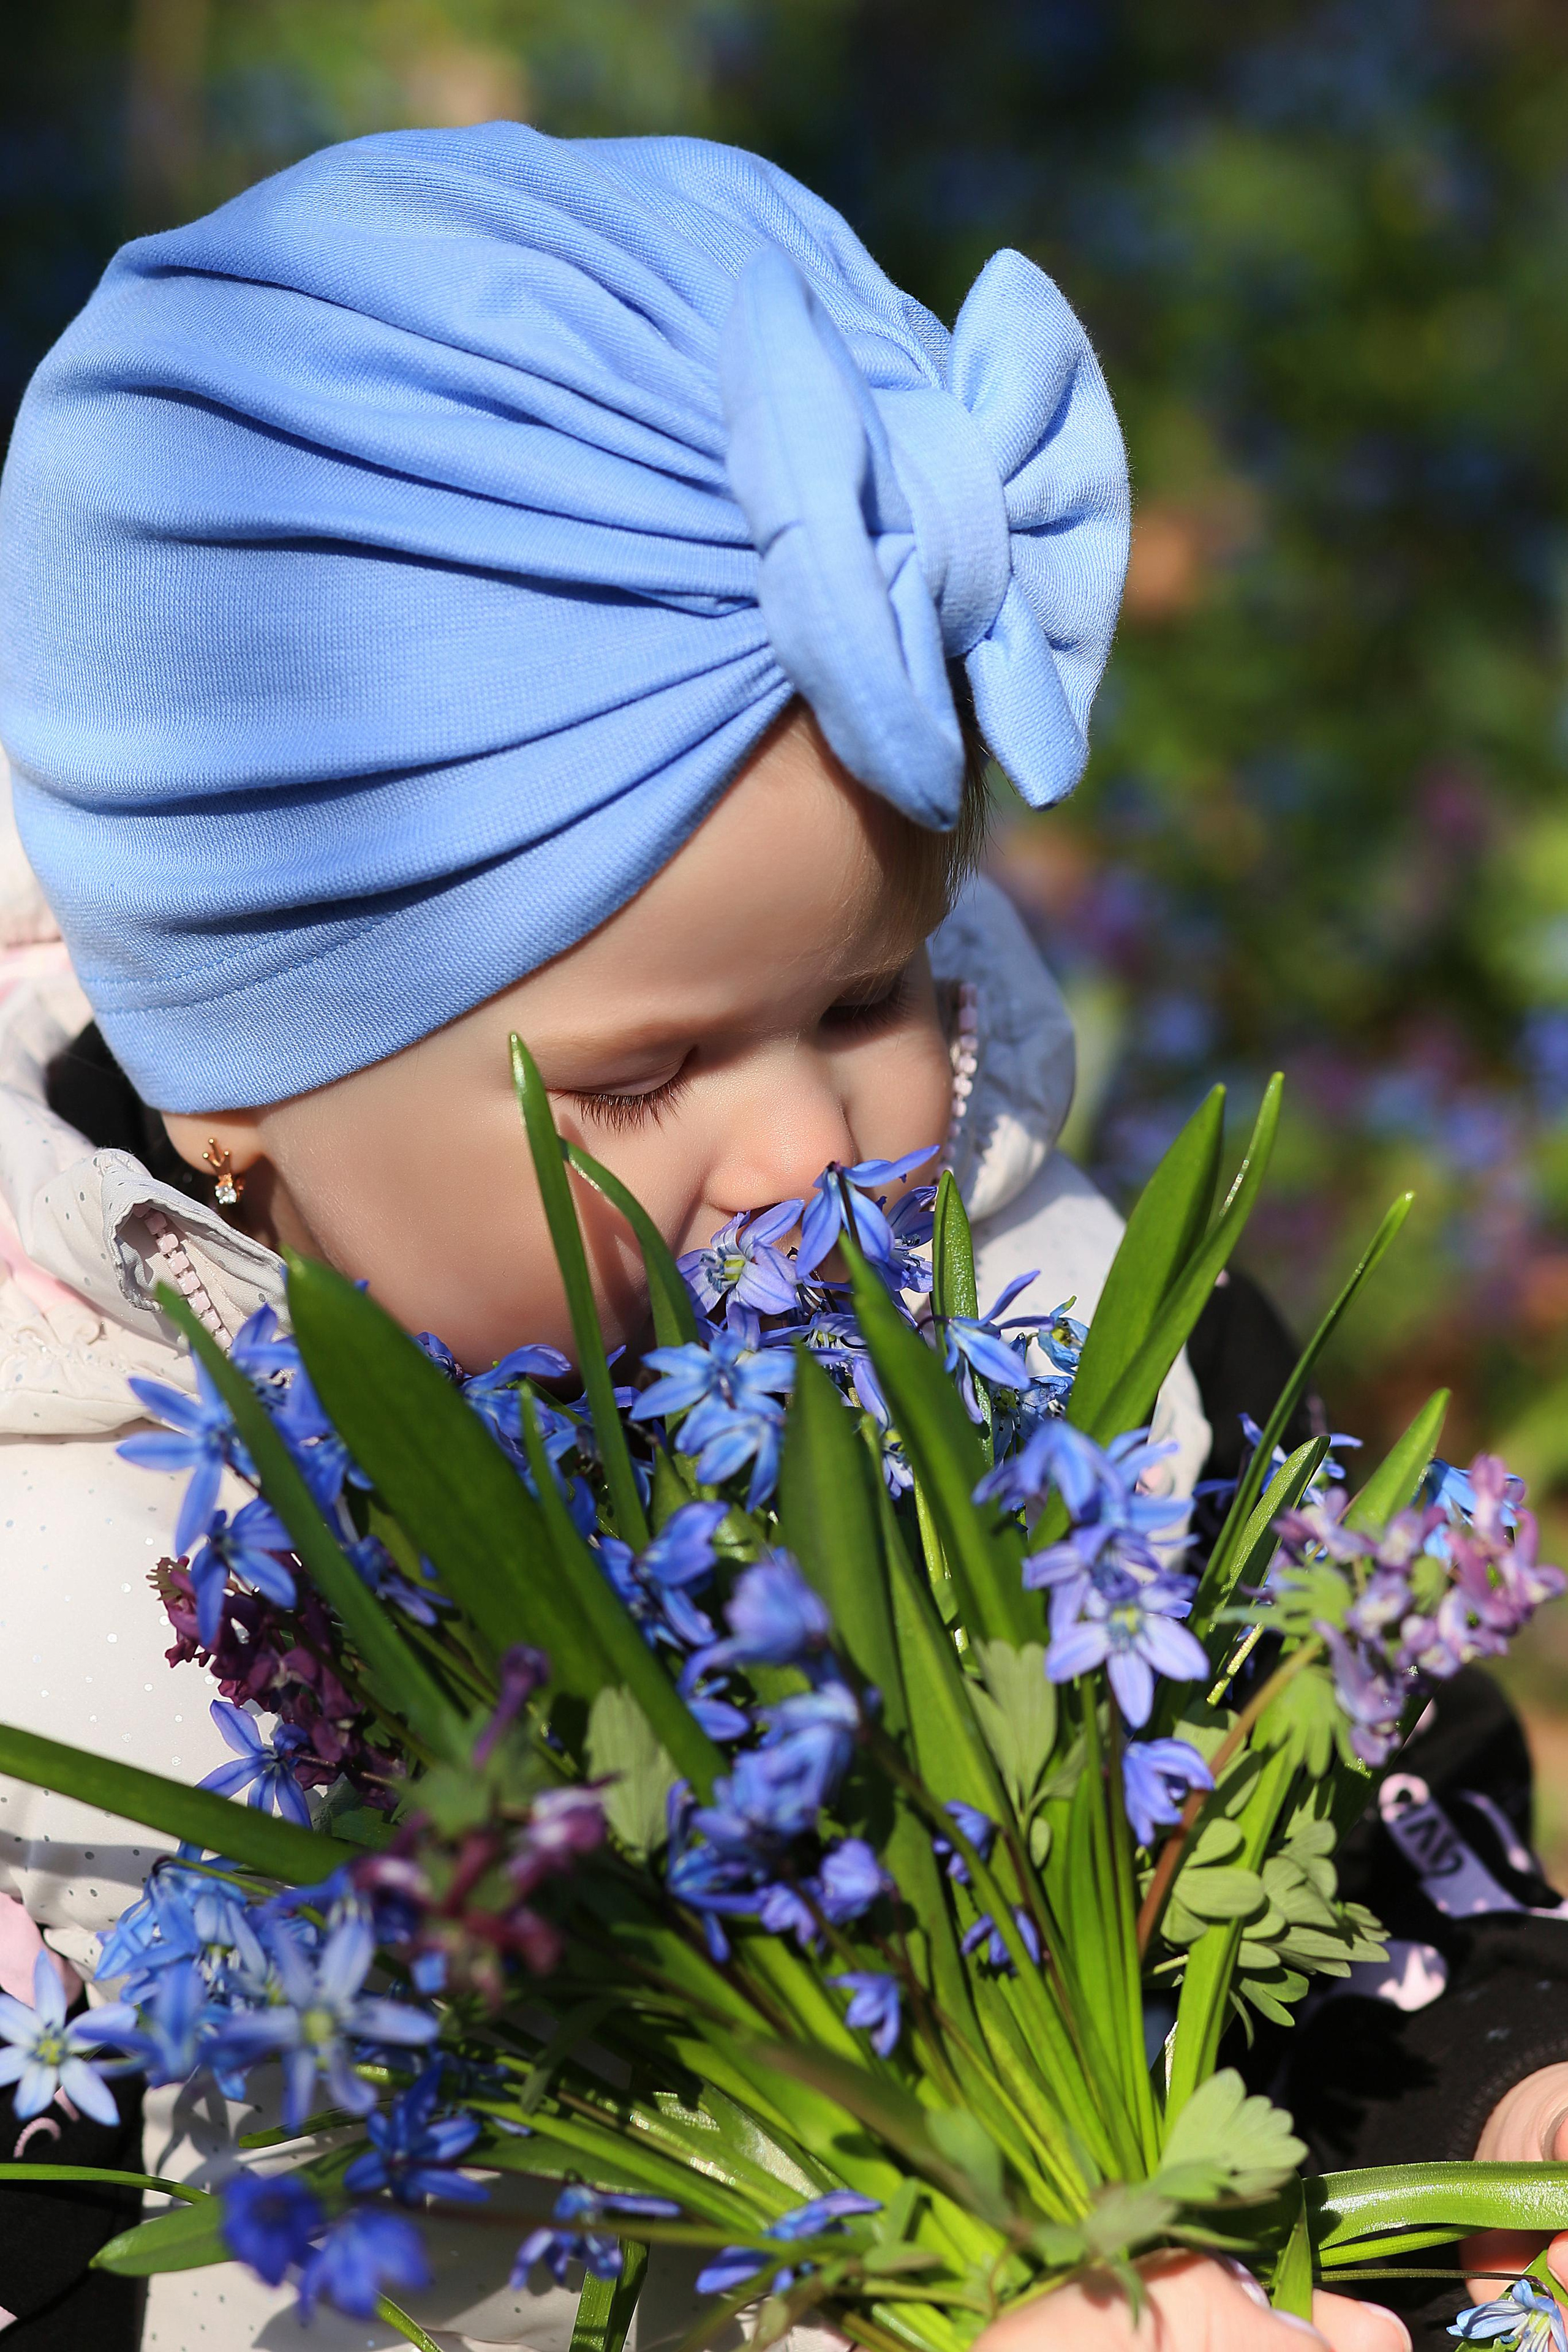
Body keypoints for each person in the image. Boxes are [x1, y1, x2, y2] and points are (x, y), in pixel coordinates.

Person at [0, 121, 1529, 2352]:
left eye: (867, 997)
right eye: (641, 1081)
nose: (816, 1156)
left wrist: (1507, 2098)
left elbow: (1406, 1850)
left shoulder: (1076, 1315)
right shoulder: (51, 1618)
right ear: (227, 1087)